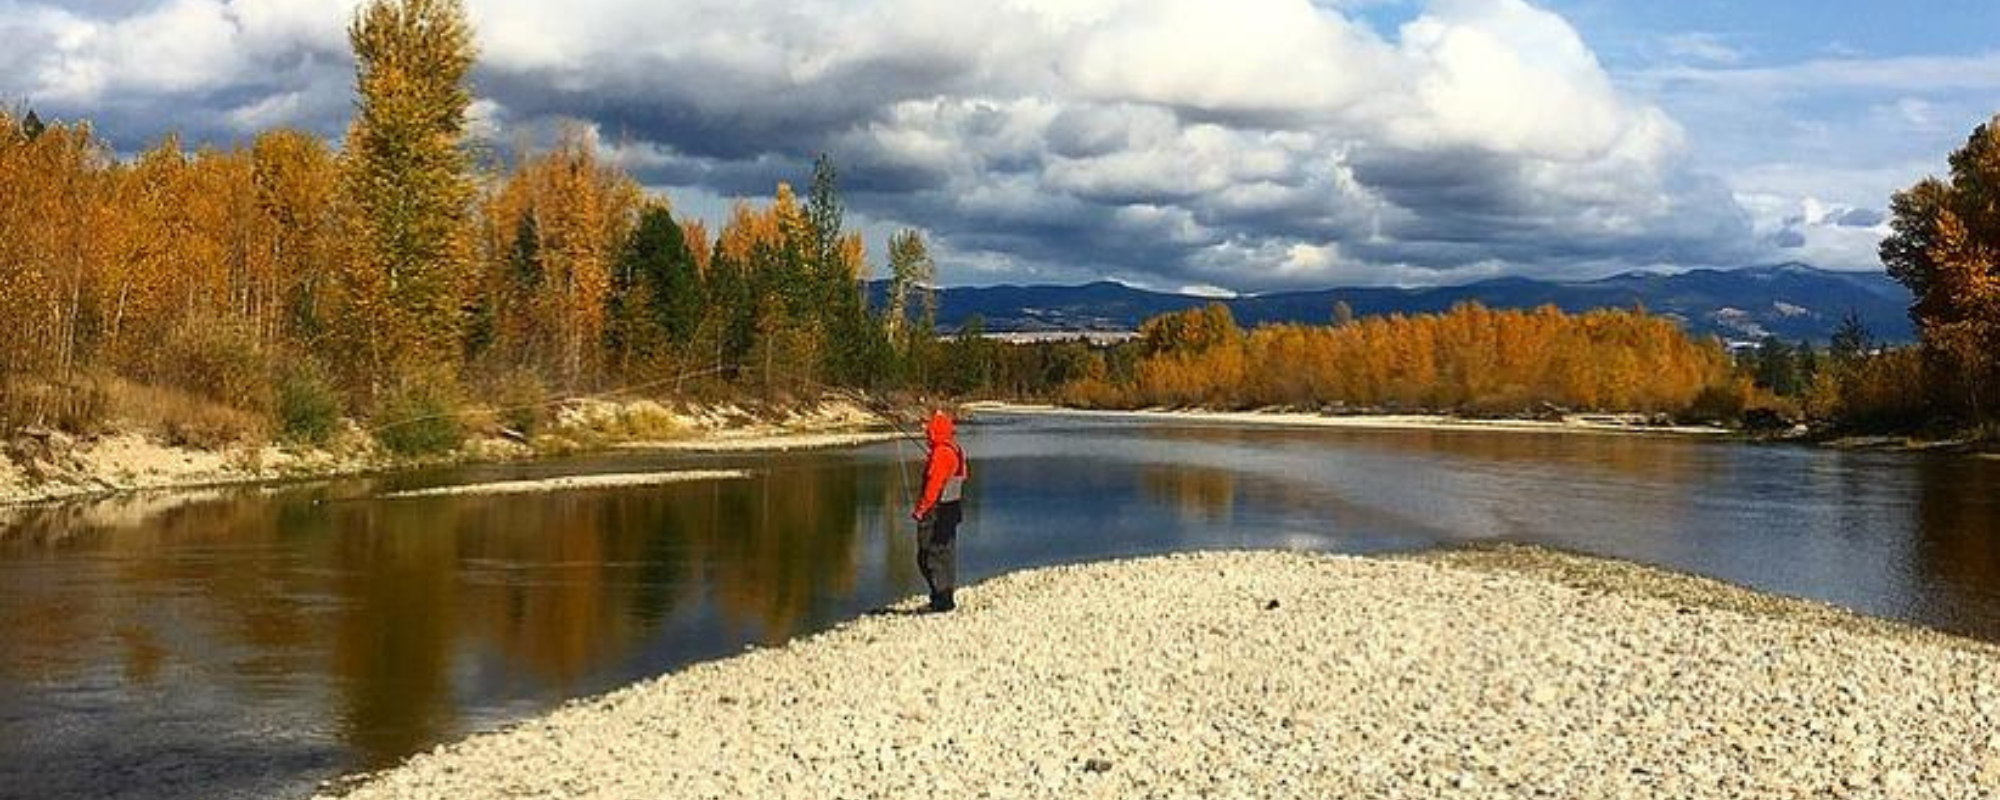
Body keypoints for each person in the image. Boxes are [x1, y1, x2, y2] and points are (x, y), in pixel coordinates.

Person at [911, 409, 968, 612]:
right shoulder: (954, 449)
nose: (926, 432)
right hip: (951, 509)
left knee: (928, 555)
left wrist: (920, 510)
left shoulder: (941, 453)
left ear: (937, 430)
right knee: (946, 553)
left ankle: (941, 599)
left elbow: (933, 487)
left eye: (929, 429)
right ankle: (944, 597)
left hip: (937, 511)